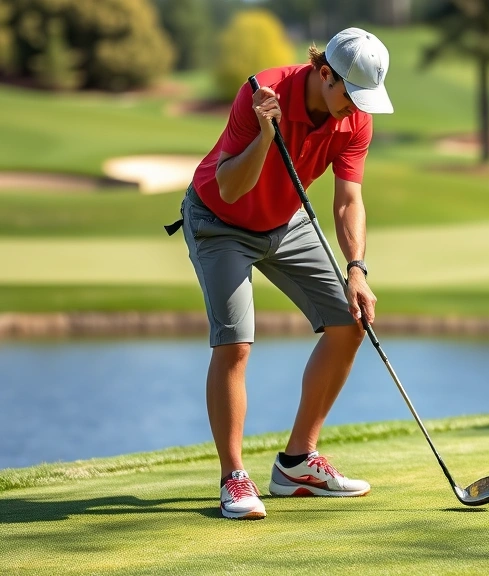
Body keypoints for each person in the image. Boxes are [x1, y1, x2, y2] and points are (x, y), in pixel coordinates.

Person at [165, 28, 394, 520]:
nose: (356, 108)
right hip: (219, 222)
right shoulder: (262, 94)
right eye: (351, 96)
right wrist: (268, 135)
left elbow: (349, 199)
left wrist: (357, 268)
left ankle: (296, 463)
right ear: (324, 73)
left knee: (350, 321)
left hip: (286, 221)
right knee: (235, 342)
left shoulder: (355, 121)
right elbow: (229, 188)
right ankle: (233, 479)